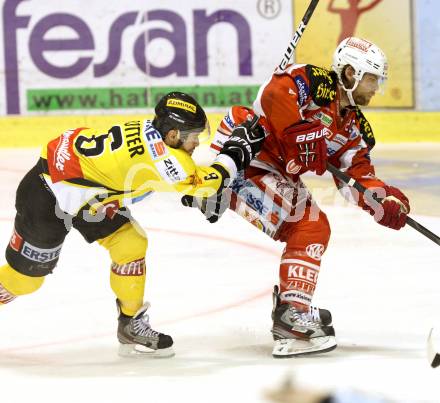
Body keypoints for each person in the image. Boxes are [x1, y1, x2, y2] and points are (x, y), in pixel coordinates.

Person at [183, 37, 410, 358]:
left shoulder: (355, 127)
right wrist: (297, 129)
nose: (376, 88)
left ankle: (293, 307)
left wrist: (381, 200)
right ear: (349, 73)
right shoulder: (316, 83)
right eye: (372, 79)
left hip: (274, 172)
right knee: (310, 226)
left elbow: (356, 175)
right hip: (248, 154)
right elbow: (273, 94)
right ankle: (217, 180)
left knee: (313, 228)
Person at [0, 91, 264, 358]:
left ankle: (130, 323)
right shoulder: (170, 159)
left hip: (86, 191)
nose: (197, 142)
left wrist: (193, 189)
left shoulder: (151, 133)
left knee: (130, 243)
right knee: (24, 281)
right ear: (173, 135)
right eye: (194, 136)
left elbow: (159, 175)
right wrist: (234, 153)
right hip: (48, 194)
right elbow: (206, 183)